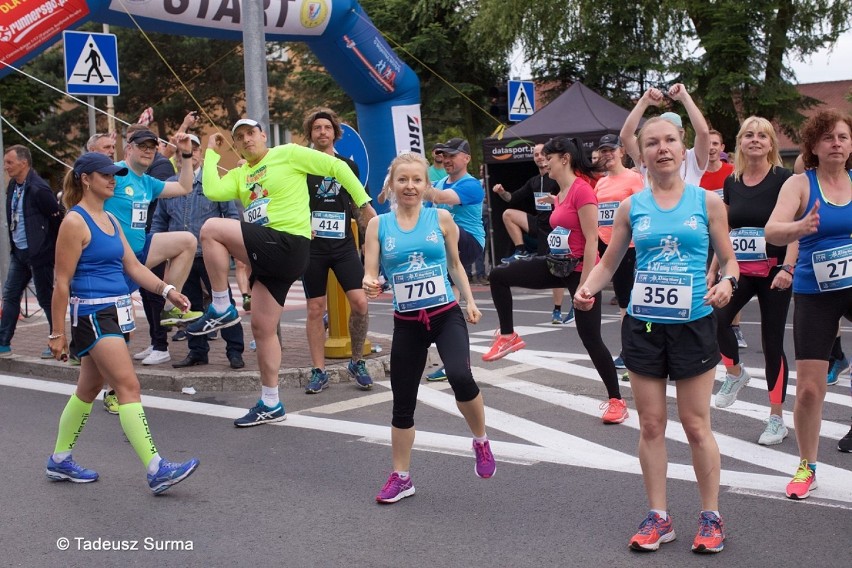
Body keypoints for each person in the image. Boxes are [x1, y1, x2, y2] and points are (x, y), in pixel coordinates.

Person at [575, 116, 737, 553]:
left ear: (683, 148)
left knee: (696, 425)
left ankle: (711, 516)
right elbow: (609, 262)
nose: (662, 148)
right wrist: (588, 286)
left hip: (694, 324)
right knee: (650, 424)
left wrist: (727, 283)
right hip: (644, 326)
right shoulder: (633, 206)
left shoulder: (707, 203)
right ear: (640, 154)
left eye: (669, 140)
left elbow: (730, 259)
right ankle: (659, 516)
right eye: (652, 143)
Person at [191, 118, 369, 427]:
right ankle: (271, 402)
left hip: (289, 243)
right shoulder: (240, 174)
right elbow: (212, 191)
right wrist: (210, 152)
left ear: (263, 135)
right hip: (267, 256)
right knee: (262, 328)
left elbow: (337, 168)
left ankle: (220, 304)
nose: (247, 140)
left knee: (210, 229)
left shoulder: (287, 153)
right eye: (240, 137)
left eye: (251, 133)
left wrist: (363, 203)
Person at [45, 152, 199, 494]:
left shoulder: (111, 221)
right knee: (128, 386)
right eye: (106, 175)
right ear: (86, 179)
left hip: (115, 312)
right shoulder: (75, 221)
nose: (113, 179)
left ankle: (59, 459)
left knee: (87, 390)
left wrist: (168, 289)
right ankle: (157, 468)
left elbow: (134, 267)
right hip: (93, 315)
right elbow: (61, 283)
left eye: (115, 174)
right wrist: (57, 333)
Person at [362, 152, 494, 503]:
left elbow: (455, 264)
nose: (409, 186)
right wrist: (369, 282)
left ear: (426, 185)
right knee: (403, 402)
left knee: (460, 376)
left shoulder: (442, 218)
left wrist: (469, 300)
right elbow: (370, 271)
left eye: (416, 180)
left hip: (445, 314)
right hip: (406, 322)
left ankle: (480, 440)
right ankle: (401, 477)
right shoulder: (378, 226)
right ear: (391, 184)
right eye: (402, 179)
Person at [484, 136, 628, 424]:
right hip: (555, 265)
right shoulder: (559, 192)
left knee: (591, 339)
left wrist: (587, 287)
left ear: (564, 158)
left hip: (580, 272)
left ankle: (617, 400)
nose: (543, 162)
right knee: (499, 275)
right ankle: (508, 335)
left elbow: (591, 241)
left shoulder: (582, 191)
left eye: (548, 157)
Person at [765, 109, 852, 500]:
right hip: (815, 293)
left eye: (843, 137)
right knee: (809, 392)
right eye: (829, 137)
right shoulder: (801, 184)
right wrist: (798, 228)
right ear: (814, 146)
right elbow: (772, 229)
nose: (837, 143)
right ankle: (807, 466)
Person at [708, 117, 795, 446]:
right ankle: (734, 373)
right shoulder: (733, 181)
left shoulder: (784, 179)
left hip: (774, 273)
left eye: (762, 136)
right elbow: (725, 229)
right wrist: (715, 268)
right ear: (740, 143)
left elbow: (795, 226)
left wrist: (788, 268)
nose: (755, 140)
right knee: (714, 319)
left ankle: (776, 418)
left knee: (772, 344)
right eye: (749, 135)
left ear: (771, 144)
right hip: (740, 271)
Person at [150, 133, 246, 370]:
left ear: (201, 154)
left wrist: (231, 251)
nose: (190, 155)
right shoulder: (171, 187)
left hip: (210, 256)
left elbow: (231, 217)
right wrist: (154, 252)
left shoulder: (214, 182)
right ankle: (197, 351)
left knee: (224, 303)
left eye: (194, 150)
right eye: (184, 151)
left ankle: (235, 351)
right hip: (181, 259)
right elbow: (159, 222)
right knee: (188, 306)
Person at [109, 127, 201, 369]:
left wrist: (187, 156)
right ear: (129, 148)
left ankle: (171, 309)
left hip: (141, 251)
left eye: (152, 148)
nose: (148, 152)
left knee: (188, 241)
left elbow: (184, 188)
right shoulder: (116, 173)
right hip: (114, 259)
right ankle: (111, 387)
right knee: (117, 330)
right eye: (142, 147)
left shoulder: (147, 182)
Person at [300, 108, 377, 394]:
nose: (322, 132)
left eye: (327, 128)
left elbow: (359, 207)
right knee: (315, 308)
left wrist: (375, 239)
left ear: (335, 132)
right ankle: (318, 371)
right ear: (311, 133)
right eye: (317, 128)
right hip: (313, 249)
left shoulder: (348, 166)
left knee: (360, 303)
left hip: (343, 246)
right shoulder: (303, 167)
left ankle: (357, 362)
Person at [421, 137, 486, 381]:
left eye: (452, 155)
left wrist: (409, 181)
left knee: (444, 222)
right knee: (446, 307)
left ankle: (455, 361)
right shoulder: (438, 181)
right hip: (444, 252)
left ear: (467, 158)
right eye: (443, 155)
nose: (446, 159)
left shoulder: (471, 185)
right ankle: (454, 362)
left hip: (469, 244)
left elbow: (439, 198)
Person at [491, 142, 573, 324]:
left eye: (543, 153)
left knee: (556, 269)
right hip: (538, 224)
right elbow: (512, 198)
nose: (540, 157)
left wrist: (556, 200)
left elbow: (571, 197)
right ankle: (520, 250)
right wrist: (502, 192)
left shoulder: (558, 178)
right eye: (536, 154)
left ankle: (558, 310)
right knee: (508, 214)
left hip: (555, 228)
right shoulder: (534, 181)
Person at [0, 145, 62, 358]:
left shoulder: (39, 189)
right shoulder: (12, 187)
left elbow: (57, 220)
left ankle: (57, 341)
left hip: (40, 254)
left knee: (46, 298)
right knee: (10, 295)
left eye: (9, 162)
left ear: (23, 163)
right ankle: (3, 343)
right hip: (19, 253)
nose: (5, 166)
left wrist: (48, 248)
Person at [592, 134, 645, 371]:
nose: (607, 154)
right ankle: (631, 349)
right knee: (623, 300)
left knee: (628, 300)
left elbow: (643, 210)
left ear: (621, 151)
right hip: (606, 244)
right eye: (603, 151)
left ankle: (629, 351)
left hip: (630, 246)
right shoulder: (600, 183)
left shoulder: (634, 178)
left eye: (611, 150)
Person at [620, 84, 710, 187]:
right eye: (655, 140)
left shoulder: (693, 159)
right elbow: (626, 136)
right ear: (643, 160)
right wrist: (644, 101)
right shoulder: (650, 156)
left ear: (682, 133)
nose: (663, 148)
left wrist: (684, 97)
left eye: (670, 138)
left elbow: (703, 133)